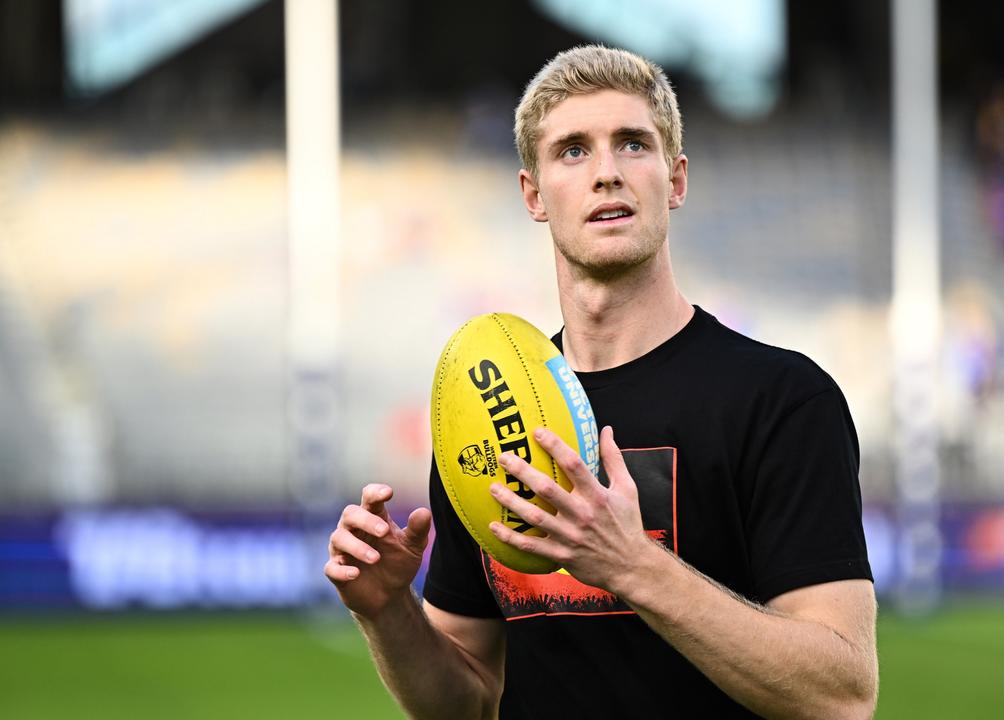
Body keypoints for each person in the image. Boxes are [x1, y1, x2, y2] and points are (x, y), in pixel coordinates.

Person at [326, 45, 878, 719]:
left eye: (632, 144)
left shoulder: (784, 401)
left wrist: (630, 565)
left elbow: (840, 697)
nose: (607, 173)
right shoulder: (483, 413)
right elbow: (465, 703)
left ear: (675, 181)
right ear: (534, 194)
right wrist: (389, 615)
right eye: (573, 151)